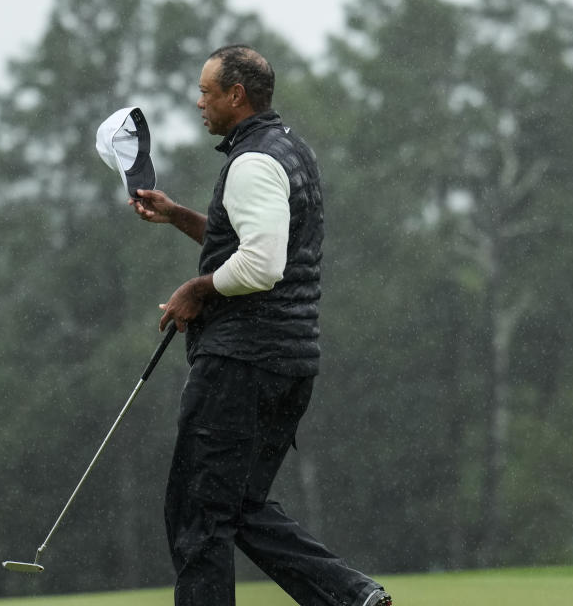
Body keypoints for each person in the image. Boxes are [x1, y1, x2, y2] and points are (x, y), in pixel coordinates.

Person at [129, 45, 392, 606]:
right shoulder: (290, 150)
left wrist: (195, 291)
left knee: (198, 513)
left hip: (241, 364)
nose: (198, 102)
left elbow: (262, 265)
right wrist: (177, 215)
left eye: (205, 91)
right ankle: (352, 598)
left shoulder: (251, 163)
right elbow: (247, 245)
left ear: (235, 96)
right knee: (240, 505)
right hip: (288, 364)